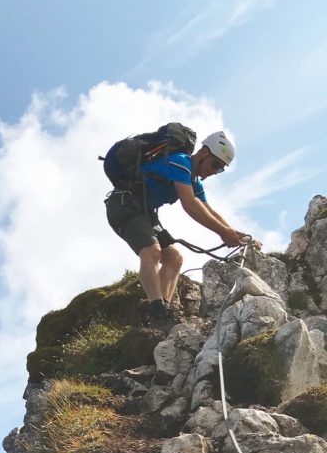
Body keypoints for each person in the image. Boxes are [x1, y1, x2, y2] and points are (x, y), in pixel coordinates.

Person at [104, 130, 253, 323]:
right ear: (205, 152)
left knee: (174, 258)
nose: (214, 171)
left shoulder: (193, 181)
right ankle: (157, 310)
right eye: (215, 165)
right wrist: (223, 233)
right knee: (151, 251)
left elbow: (208, 210)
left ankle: (162, 311)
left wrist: (235, 234)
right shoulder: (180, 161)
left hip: (144, 212)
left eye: (220, 169)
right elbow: (190, 205)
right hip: (124, 205)